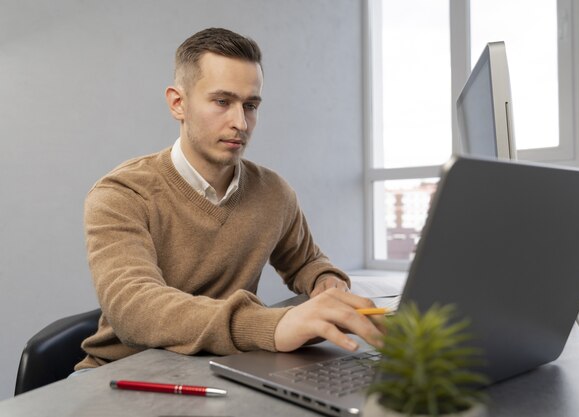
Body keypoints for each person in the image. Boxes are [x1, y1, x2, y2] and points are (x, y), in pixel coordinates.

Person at [75, 27, 382, 370]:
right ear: (178, 103)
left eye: (250, 105)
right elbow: (134, 309)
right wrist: (272, 325)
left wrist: (327, 284)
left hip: (224, 368)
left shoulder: (274, 192)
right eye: (222, 102)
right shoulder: (121, 194)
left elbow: (307, 261)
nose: (241, 122)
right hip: (123, 375)